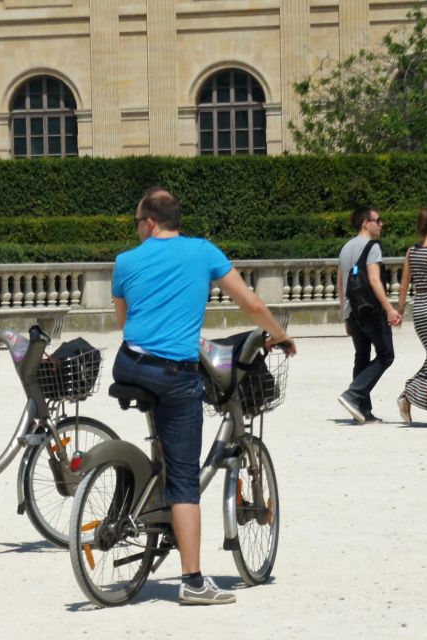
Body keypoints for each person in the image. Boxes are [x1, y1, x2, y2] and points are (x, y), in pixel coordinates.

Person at [111, 188, 295, 606]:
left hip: (128, 365)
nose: (138, 230)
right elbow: (249, 302)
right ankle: (193, 581)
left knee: (164, 439)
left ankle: (151, 492)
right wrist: (280, 336)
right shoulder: (204, 251)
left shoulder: (126, 261)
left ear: (150, 222)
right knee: (184, 478)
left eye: (138, 223)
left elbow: (126, 321)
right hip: (174, 375)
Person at [336, 206, 402, 424]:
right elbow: (374, 280)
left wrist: (344, 314)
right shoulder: (373, 247)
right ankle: (353, 395)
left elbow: (341, 284)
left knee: (361, 356)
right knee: (386, 355)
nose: (381, 224)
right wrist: (390, 309)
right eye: (378, 220)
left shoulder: (345, 248)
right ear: (366, 223)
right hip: (371, 311)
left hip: (353, 311)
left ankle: (362, 411)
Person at [396, 208, 427, 425]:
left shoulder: (411, 252)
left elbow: (405, 284)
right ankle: (408, 394)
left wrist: (399, 310)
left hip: (420, 309)